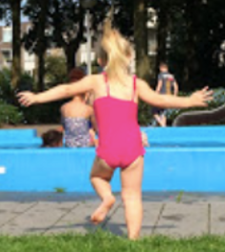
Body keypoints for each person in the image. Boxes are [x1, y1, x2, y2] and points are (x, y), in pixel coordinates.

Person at [18, 19, 212, 240]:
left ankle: (107, 198)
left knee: (97, 177)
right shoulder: (136, 84)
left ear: (100, 60)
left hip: (108, 148)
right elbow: (161, 99)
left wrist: (37, 97)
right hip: (133, 147)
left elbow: (66, 89)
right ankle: (133, 241)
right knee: (132, 196)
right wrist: (190, 101)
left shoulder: (96, 81)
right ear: (129, 57)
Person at [61, 68, 96, 147]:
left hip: (69, 144)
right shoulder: (89, 109)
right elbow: (96, 128)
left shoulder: (64, 108)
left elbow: (65, 126)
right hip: (86, 145)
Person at [153, 62, 179, 127]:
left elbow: (159, 85)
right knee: (164, 112)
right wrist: (175, 95)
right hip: (169, 96)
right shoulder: (171, 76)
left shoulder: (161, 75)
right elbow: (176, 86)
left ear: (161, 68)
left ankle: (161, 123)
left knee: (154, 111)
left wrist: (155, 94)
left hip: (162, 95)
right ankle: (163, 126)